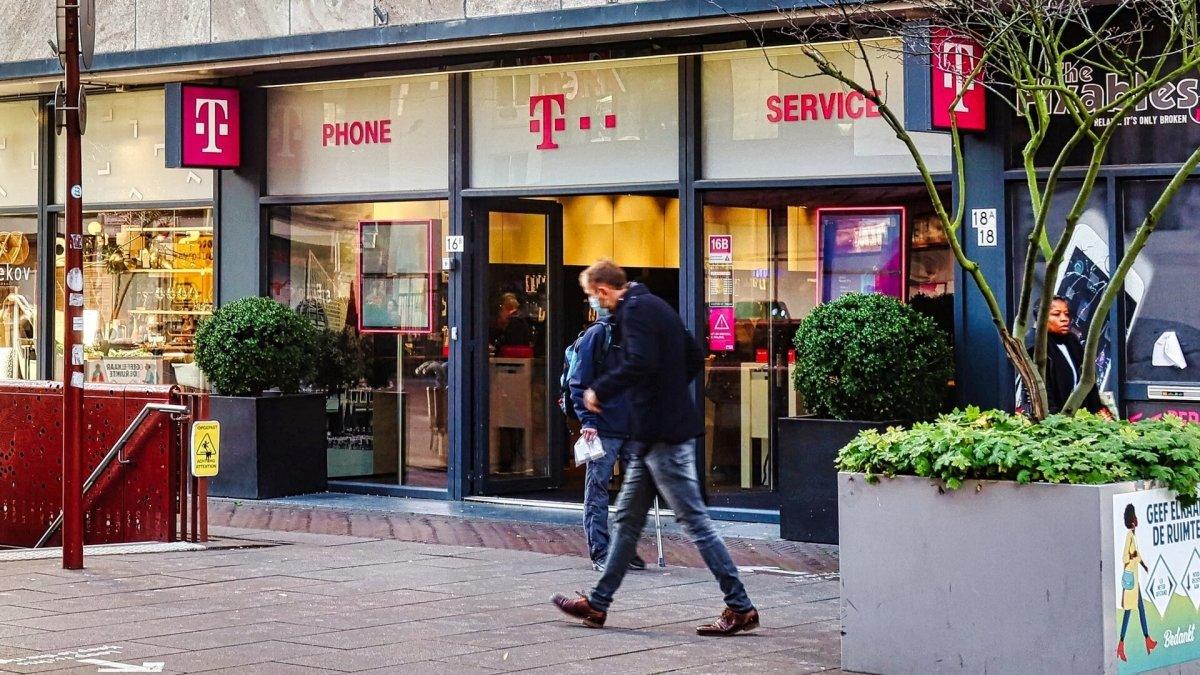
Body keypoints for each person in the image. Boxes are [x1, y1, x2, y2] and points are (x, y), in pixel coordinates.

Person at [552, 259, 759, 636]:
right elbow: (693, 355)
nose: (594, 303)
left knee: (694, 521)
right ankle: (598, 603)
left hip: (662, 437)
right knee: (627, 521)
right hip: (652, 434)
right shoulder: (655, 306)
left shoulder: (634, 312)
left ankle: (740, 606)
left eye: (592, 296)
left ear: (602, 291)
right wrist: (669, 392)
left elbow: (639, 363)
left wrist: (602, 390)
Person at [567, 290, 647, 573]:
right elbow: (579, 382)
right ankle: (600, 551)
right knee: (598, 489)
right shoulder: (598, 335)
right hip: (603, 426)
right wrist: (588, 420)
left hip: (633, 427)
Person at [1036, 296, 1113, 418]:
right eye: (1056, 314)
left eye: (1066, 314)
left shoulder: (1072, 341)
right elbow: (1042, 390)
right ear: (1041, 317)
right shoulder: (1036, 346)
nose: (1064, 319)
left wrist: (1097, 411)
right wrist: (1055, 420)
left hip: (1082, 417)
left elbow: (1088, 379)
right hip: (1056, 419)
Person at [1117, 503, 1157, 662]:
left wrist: (1144, 565)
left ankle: (1147, 640)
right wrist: (1133, 557)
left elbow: (1137, 554)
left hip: (1135, 579)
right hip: (1131, 581)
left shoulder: (1133, 535)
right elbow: (1124, 557)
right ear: (1132, 519)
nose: (1137, 518)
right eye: (1135, 516)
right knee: (1129, 610)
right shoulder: (1129, 535)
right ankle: (1121, 645)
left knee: (1140, 608)